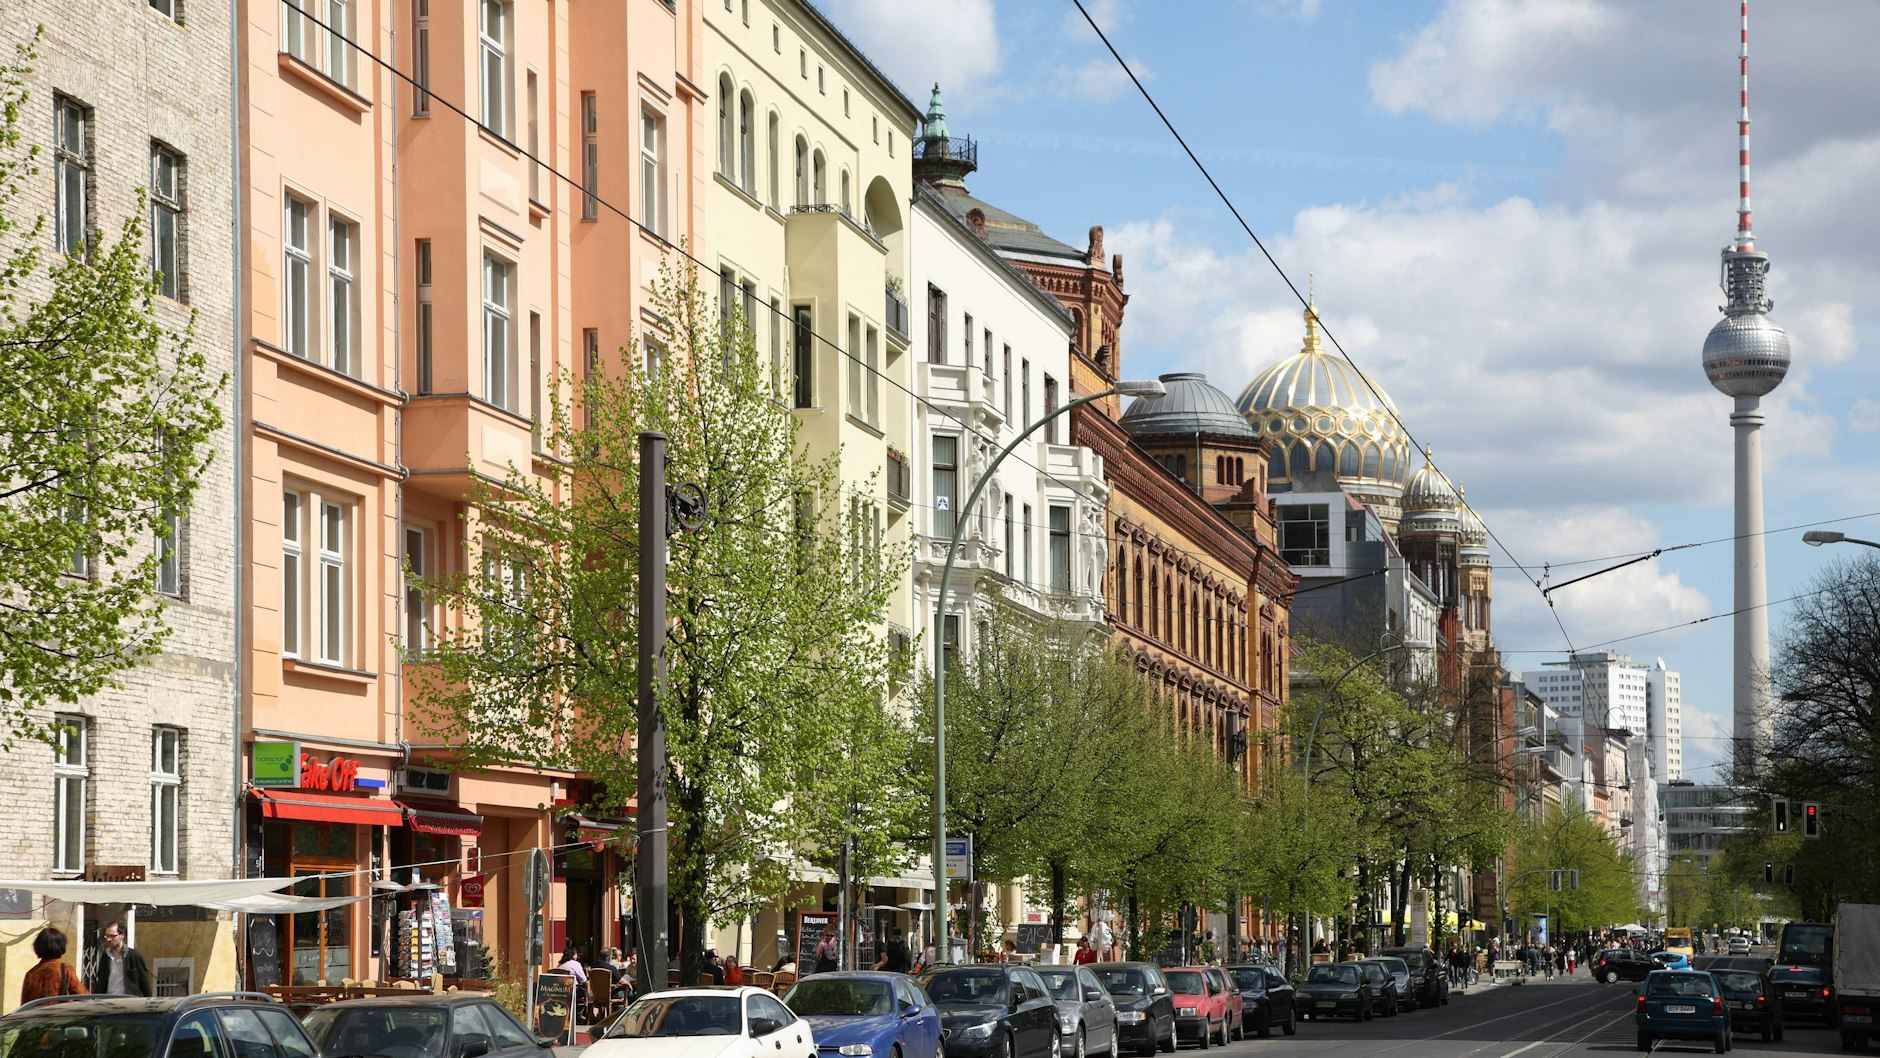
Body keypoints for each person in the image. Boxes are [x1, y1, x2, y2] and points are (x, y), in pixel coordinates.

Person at [85, 921, 152, 997]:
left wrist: (148, 1004)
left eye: (112, 936)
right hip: (107, 1001)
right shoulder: (105, 956)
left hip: (129, 1001)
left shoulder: (134, 956)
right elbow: (100, 981)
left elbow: (144, 982)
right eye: (106, 936)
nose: (109, 939)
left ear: (121, 936)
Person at [21, 927, 86, 1004]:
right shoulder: (65, 969)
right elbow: (83, 996)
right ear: (60, 945)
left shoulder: (31, 974)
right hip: (58, 1014)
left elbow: (25, 1005)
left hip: (36, 1015)